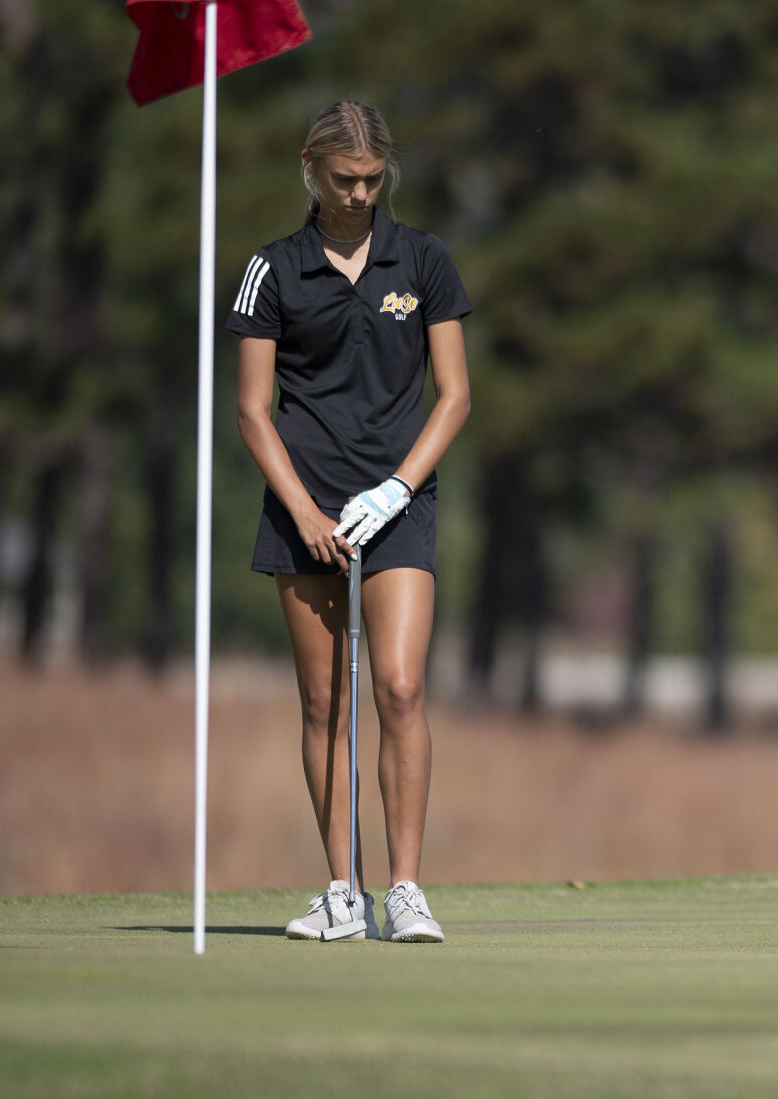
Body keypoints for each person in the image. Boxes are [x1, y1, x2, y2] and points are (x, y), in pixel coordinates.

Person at [229, 101, 471, 943]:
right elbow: (254, 412)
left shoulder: (425, 259)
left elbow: (456, 395)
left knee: (400, 686)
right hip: (307, 505)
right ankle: (343, 889)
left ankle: (406, 889)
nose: (360, 193)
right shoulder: (273, 270)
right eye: (344, 179)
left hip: (397, 501)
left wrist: (399, 488)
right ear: (309, 167)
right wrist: (304, 509)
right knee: (326, 702)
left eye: (372, 178)